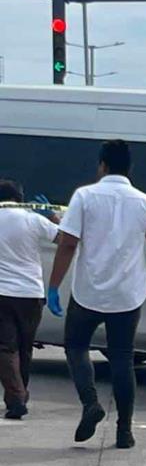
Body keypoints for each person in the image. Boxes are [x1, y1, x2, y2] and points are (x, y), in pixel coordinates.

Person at [47, 140, 146, 449]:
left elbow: (67, 244)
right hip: (127, 295)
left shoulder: (84, 196)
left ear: (102, 165)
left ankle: (91, 402)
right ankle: (124, 430)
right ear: (130, 168)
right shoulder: (145, 202)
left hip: (87, 291)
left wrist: (53, 286)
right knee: (122, 359)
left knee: (76, 347)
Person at [0, 180, 60, 420]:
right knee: (25, 348)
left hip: (2, 292)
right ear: (20, 198)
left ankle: (16, 399)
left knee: (6, 347)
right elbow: (65, 239)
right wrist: (53, 216)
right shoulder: (33, 219)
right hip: (31, 294)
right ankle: (20, 396)